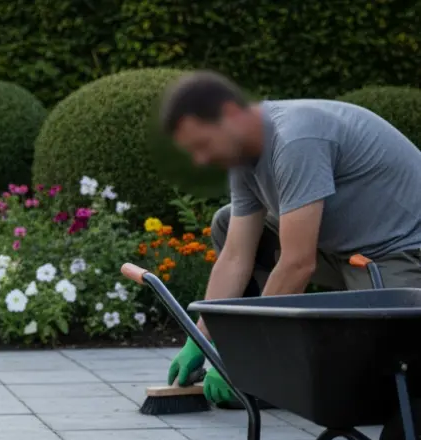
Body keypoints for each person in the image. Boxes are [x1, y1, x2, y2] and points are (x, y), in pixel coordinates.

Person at [158, 70, 421, 407]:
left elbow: (298, 263)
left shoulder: (295, 140)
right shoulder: (243, 155)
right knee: (226, 223)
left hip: (401, 254)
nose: (202, 159)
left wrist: (251, 360)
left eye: (203, 145)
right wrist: (201, 337)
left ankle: (263, 369)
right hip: (346, 252)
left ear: (231, 116)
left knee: (387, 375)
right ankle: (260, 367)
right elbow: (237, 256)